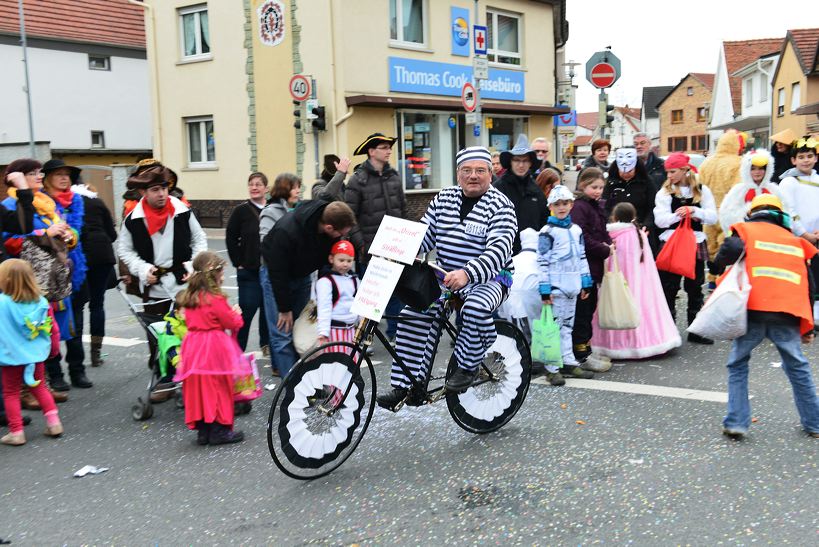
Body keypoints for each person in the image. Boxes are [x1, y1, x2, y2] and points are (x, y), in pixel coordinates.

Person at [376, 146, 517, 411]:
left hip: (492, 278)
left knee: (475, 308)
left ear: (490, 173)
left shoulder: (502, 205)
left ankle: (469, 365)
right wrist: (393, 250)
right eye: (466, 170)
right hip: (446, 278)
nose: (473, 176)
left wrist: (467, 273)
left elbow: (498, 250)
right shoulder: (444, 198)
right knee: (413, 316)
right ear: (458, 174)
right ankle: (407, 387)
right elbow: (424, 234)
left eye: (479, 170)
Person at [712, 194, 819, 439]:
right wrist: (808, 328)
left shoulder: (746, 230)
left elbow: (730, 248)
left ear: (753, 212)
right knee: (797, 366)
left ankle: (737, 422)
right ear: (781, 215)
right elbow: (808, 286)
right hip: (788, 312)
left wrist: (716, 266)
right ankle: (814, 423)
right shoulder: (794, 241)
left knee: (738, 363)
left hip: (754, 309)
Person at [118, 164, 207, 401]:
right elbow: (124, 250)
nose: (161, 194)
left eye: (164, 188)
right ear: (144, 193)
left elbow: (199, 239)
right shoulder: (133, 219)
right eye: (155, 190)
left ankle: (190, 378)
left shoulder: (182, 211)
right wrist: (142, 269)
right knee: (157, 335)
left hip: (182, 283)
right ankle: (163, 380)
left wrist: (192, 265)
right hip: (153, 286)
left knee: (187, 333)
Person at [2, 159, 72, 406]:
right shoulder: (10, 203)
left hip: (48, 277)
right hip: (23, 278)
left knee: (41, 331)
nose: (39, 177)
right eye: (33, 173)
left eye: (39, 173)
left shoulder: (45, 201)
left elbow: (53, 230)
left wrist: (66, 235)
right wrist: (45, 235)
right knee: (23, 331)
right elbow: (12, 241)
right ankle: (23, 390)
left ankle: (39, 385)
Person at [260, 200, 357, 378]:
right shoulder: (287, 231)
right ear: (329, 227)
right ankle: (293, 387)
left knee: (301, 328)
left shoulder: (330, 225)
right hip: (276, 275)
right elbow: (277, 271)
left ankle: (306, 378)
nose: (342, 237)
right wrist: (284, 308)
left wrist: (325, 292)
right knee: (283, 333)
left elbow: (325, 263)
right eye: (341, 234)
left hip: (302, 275)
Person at [173, 252, 248, 445]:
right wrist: (237, 314)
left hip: (192, 345)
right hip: (213, 346)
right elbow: (230, 322)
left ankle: (203, 430)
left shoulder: (190, 296)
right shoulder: (214, 298)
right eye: (221, 273)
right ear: (213, 275)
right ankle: (219, 431)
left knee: (198, 387)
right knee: (218, 386)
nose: (223, 276)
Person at [591, 203, 681, 359]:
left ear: (614, 217)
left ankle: (611, 344)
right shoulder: (639, 235)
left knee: (613, 306)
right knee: (643, 307)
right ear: (633, 217)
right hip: (640, 283)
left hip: (616, 282)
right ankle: (649, 342)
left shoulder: (612, 235)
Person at [345, 133, 406, 343]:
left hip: (395, 246)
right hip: (369, 248)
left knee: (396, 292)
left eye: (389, 147)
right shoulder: (357, 180)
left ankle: (395, 333)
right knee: (370, 296)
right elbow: (349, 217)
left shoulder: (394, 176)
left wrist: (409, 240)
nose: (389, 150)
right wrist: (361, 245)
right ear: (371, 151)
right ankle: (364, 338)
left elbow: (403, 210)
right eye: (384, 147)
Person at [653, 153, 717, 344]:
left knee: (695, 287)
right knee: (669, 288)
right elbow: (660, 221)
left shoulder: (701, 190)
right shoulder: (664, 192)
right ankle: (669, 331)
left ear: (684, 170)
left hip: (695, 242)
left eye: (673, 171)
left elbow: (713, 216)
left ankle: (696, 330)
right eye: (668, 172)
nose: (669, 175)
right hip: (672, 242)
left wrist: (694, 211)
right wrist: (679, 215)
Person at [39, 159, 92, 390]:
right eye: (59, 174)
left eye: (67, 175)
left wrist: (73, 236)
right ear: (47, 177)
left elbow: (80, 229)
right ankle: (55, 374)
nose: (64, 178)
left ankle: (77, 370)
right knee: (51, 325)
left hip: (75, 268)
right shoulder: (40, 201)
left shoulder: (77, 200)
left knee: (76, 324)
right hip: (50, 272)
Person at [0, 259, 63, 446]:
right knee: (40, 387)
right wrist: (53, 349)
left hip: (10, 357)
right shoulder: (41, 302)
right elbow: (53, 329)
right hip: (36, 356)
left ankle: (16, 432)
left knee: (11, 393)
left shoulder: (2, 303)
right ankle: (54, 423)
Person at [537, 185, 595, 385]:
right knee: (553, 327)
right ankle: (551, 368)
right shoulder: (547, 232)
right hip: (556, 288)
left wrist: (586, 282)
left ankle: (568, 361)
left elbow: (581, 257)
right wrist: (545, 289)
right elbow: (542, 262)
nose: (561, 208)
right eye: (557, 204)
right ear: (550, 206)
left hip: (572, 286)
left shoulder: (576, 230)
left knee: (568, 326)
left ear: (571, 204)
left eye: (565, 203)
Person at [569, 167, 613, 370]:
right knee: (582, 312)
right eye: (593, 187)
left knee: (589, 309)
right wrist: (604, 248)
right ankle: (581, 353)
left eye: (600, 187)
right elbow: (582, 237)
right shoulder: (580, 207)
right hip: (582, 269)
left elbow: (600, 232)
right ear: (582, 185)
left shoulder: (594, 206)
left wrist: (609, 242)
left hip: (593, 267)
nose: (598, 191)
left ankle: (585, 348)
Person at [72, 181, 117, 367]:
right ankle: (96, 353)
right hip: (102, 253)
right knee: (97, 304)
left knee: (78, 305)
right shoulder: (97, 202)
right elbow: (112, 234)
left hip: (81, 255)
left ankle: (78, 357)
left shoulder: (69, 203)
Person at [226, 172, 270, 353]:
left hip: (268, 270)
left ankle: (266, 343)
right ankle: (236, 349)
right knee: (246, 311)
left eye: (258, 184)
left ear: (266, 188)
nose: (254, 187)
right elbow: (230, 237)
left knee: (267, 310)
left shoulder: (272, 209)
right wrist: (238, 262)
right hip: (248, 272)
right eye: (251, 184)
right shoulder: (241, 211)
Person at [698, 129, 744, 287]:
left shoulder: (706, 162)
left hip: (709, 210)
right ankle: (723, 279)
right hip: (728, 211)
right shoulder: (739, 163)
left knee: (711, 246)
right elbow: (739, 189)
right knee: (726, 245)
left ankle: (711, 277)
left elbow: (699, 185)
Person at [494, 134, 549, 254]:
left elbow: (544, 222)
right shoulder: (498, 188)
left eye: (525, 161)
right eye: (517, 160)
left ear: (530, 163)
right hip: (503, 255)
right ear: (510, 162)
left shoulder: (536, 191)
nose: (521, 165)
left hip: (531, 254)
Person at [719, 149, 785, 236]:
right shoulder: (738, 190)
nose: (757, 172)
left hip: (770, 235)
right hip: (745, 235)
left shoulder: (774, 190)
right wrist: (746, 215)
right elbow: (726, 215)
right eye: (753, 169)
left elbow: (785, 212)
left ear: (767, 170)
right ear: (746, 170)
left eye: (761, 168)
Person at [316, 241, 359, 354]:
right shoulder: (325, 282)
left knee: (350, 365)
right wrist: (323, 333)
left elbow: (358, 303)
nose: (345, 264)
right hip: (333, 330)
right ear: (331, 259)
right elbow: (324, 308)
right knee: (335, 365)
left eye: (349, 261)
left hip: (351, 330)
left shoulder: (354, 280)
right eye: (341, 260)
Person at [603, 147, 655, 227]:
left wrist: (647, 225)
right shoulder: (610, 183)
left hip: (641, 225)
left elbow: (652, 206)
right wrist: (611, 223)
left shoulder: (646, 182)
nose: (625, 174)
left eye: (630, 171)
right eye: (622, 171)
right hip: (616, 227)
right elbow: (605, 206)